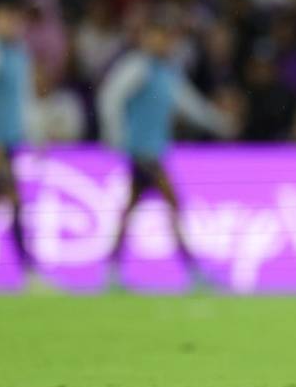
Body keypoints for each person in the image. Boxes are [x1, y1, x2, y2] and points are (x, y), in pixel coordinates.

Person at [97, 19, 234, 288]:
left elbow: (189, 104)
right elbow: (110, 96)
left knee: (134, 209)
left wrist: (218, 122)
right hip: (140, 151)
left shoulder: (167, 71)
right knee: (172, 204)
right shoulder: (137, 66)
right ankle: (193, 273)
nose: (163, 43)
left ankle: (112, 271)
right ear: (146, 38)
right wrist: (114, 135)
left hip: (155, 151)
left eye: (166, 38)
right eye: (157, 37)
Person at [0, 4, 39, 280]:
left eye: (13, 19)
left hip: (11, 140)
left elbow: (25, 101)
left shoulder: (19, 55)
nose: (9, 25)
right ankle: (29, 270)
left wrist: (36, 134)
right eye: (3, 19)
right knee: (14, 199)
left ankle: (28, 270)